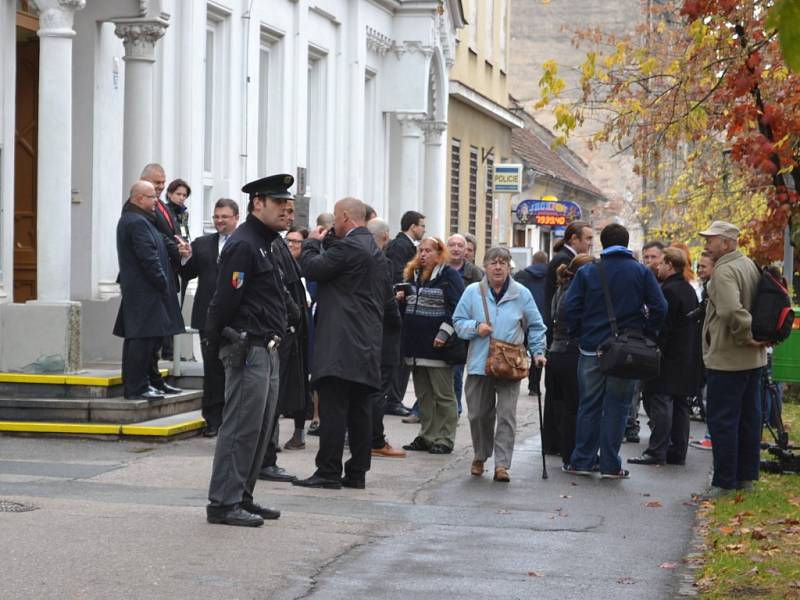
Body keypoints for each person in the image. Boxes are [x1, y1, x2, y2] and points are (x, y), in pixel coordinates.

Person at [204, 174, 291, 527]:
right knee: (241, 426)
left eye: (289, 203)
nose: (287, 209)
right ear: (258, 203)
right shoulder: (243, 244)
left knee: (259, 428)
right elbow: (225, 300)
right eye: (279, 202)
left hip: (267, 347)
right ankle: (223, 503)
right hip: (247, 347)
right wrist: (217, 344)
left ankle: (242, 495)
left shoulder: (267, 242)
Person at [292, 198, 386, 490]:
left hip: (341, 342)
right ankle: (357, 472)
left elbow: (312, 268)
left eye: (335, 218)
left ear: (345, 216)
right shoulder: (374, 250)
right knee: (359, 409)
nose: (332, 224)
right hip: (366, 342)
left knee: (333, 409)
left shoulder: (349, 248)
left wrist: (310, 242)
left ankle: (328, 471)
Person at [562, 223, 667, 480]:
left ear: (603, 243)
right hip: (627, 352)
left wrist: (580, 332)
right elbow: (660, 307)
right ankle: (610, 464)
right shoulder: (641, 272)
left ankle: (583, 460)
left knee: (589, 406)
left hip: (591, 349)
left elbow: (568, 308)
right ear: (627, 242)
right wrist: (646, 332)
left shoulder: (588, 271)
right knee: (618, 407)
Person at [453, 247, 547, 482]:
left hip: (510, 365)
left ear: (509, 267)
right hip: (478, 363)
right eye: (493, 262)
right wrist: (476, 327)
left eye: (502, 263)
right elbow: (457, 321)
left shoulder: (521, 293)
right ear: (485, 266)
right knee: (478, 415)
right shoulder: (473, 292)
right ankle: (480, 455)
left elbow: (536, 325)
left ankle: (502, 465)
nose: (497, 267)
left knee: (506, 415)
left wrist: (538, 352)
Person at [699, 220, 767, 496]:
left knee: (723, 421)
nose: (706, 245)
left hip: (728, 358)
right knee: (750, 419)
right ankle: (746, 478)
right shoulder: (748, 264)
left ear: (726, 243)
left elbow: (730, 311)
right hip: (754, 360)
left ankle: (725, 483)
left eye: (711, 240)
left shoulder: (724, 271)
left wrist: (745, 335)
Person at [629, 248, 701, 467]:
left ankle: (656, 450)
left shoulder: (668, 291)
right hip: (686, 356)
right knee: (680, 406)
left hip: (668, 357)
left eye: (660, 263)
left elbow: (664, 325)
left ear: (670, 265)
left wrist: (654, 346)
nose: (656, 267)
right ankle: (678, 451)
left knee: (661, 402)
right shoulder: (688, 290)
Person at [114, 181, 185, 400]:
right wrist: (162, 282)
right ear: (138, 198)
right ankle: (137, 387)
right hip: (145, 292)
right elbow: (148, 257)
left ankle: (154, 381)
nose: (156, 201)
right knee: (141, 340)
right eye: (152, 197)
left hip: (148, 291)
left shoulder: (143, 220)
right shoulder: (135, 222)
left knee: (151, 340)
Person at [258, 198, 311, 483]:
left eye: (291, 211)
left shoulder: (275, 244)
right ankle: (264, 460)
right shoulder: (259, 245)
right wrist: (291, 313)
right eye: (284, 210)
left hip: (286, 334)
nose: (289, 216)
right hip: (271, 336)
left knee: (275, 401)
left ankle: (267, 458)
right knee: (268, 404)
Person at [179, 198, 240, 436]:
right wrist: (184, 257)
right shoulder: (203, 244)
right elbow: (187, 272)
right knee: (213, 370)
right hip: (208, 318)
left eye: (224, 217)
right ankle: (213, 420)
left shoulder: (244, 243)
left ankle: (233, 418)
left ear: (236, 217)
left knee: (234, 371)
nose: (219, 221)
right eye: (216, 217)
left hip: (236, 318)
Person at [399, 237, 465, 455]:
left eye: (428, 251)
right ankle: (427, 435)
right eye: (421, 250)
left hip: (438, 346)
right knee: (424, 394)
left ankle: (445, 438)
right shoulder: (412, 276)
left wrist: (444, 333)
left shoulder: (449, 276)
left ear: (439, 254)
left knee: (443, 394)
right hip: (415, 346)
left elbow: (457, 308)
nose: (423, 254)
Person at [542, 221, 593, 454]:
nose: (591, 244)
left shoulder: (565, 267)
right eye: (588, 239)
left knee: (558, 398)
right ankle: (562, 444)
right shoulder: (565, 264)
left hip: (558, 345)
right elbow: (563, 311)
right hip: (566, 345)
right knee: (566, 400)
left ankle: (554, 443)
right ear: (574, 239)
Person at [140, 163, 191, 365]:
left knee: (163, 323)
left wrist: (182, 247)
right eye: (156, 182)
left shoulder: (160, 205)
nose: (160, 186)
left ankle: (155, 372)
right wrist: (175, 247)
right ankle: (147, 375)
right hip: (152, 275)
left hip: (168, 270)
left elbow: (172, 233)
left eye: (163, 182)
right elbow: (155, 235)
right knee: (148, 331)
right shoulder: (141, 208)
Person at [366, 218, 407, 458]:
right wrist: (395, 304)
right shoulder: (382, 263)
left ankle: (365, 436)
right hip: (384, 337)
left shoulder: (356, 259)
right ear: (385, 238)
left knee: (367, 391)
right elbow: (386, 303)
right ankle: (375, 439)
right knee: (378, 391)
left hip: (365, 337)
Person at [386, 211, 426, 423]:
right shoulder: (401, 246)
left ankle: (395, 398)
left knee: (403, 358)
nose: (424, 229)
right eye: (421, 225)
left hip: (403, 309)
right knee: (400, 358)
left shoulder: (407, 246)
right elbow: (398, 276)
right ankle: (392, 399)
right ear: (412, 226)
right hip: (399, 309)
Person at [447, 233, 484, 416]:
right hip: (443, 324)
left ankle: (456, 408)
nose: (456, 249)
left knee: (457, 371)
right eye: (451, 245)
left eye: (460, 246)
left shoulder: (475, 273)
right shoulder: (440, 269)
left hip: (465, 327)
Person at [514, 250, 549, 397]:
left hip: (522, 319)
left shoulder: (521, 275)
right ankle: (534, 386)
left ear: (533, 262)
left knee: (518, 348)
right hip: (542, 318)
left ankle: (514, 374)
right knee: (538, 351)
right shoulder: (550, 276)